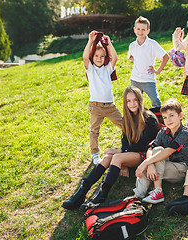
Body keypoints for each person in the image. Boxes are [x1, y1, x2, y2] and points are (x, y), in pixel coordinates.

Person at [62, 86, 159, 210]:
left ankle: (101, 196)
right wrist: (122, 158)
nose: (132, 103)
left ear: (140, 100)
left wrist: (121, 153)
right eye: (128, 101)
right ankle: (81, 192)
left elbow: (144, 145)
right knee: (107, 157)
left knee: (116, 156)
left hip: (144, 155)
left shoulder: (149, 118)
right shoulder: (127, 119)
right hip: (131, 153)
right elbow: (125, 143)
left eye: (135, 100)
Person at [133, 99, 188, 204]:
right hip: (165, 165)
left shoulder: (185, 133)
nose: (168, 120)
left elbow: (168, 152)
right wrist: (150, 164)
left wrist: (146, 163)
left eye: (171, 116)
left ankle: (158, 191)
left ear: (180, 116)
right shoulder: (163, 131)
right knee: (152, 158)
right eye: (165, 117)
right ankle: (138, 196)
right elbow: (150, 149)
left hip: (182, 169)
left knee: (158, 152)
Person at [83, 30, 123, 164]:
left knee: (124, 125)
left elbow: (115, 58)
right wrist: (90, 41)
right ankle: (95, 153)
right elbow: (84, 57)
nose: (99, 58)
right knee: (94, 131)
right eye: (96, 56)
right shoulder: (90, 69)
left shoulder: (107, 68)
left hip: (110, 106)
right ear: (92, 57)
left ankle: (128, 146)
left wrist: (109, 43)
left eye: (102, 56)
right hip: (96, 106)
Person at [128, 16, 169, 110]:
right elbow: (130, 56)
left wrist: (158, 71)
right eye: (138, 29)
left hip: (148, 80)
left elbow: (165, 57)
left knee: (156, 102)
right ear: (134, 30)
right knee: (135, 103)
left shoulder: (152, 44)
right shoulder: (132, 45)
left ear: (148, 31)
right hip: (135, 79)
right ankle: (138, 121)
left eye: (143, 29)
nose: (140, 32)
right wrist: (137, 62)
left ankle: (160, 121)